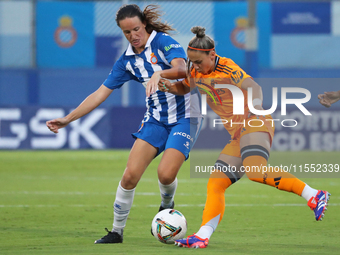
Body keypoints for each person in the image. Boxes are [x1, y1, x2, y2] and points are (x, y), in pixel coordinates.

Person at [158, 26, 331, 249]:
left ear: (212, 54)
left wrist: (256, 105)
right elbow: (185, 86)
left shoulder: (227, 67)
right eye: (191, 61)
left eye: (198, 61)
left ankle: (314, 195)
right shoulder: (196, 71)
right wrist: (170, 87)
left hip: (255, 121)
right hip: (238, 134)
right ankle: (202, 235)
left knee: (256, 171)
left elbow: (253, 86)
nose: (195, 66)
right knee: (216, 184)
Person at [46, 5, 202, 244]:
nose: (133, 36)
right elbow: (99, 94)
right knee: (129, 177)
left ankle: (166, 207)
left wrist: (159, 74)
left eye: (136, 29)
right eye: (127, 32)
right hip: (156, 120)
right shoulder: (127, 61)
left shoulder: (163, 42)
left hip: (185, 117)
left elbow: (182, 69)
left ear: (145, 26)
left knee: (165, 173)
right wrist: (68, 119)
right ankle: (117, 232)